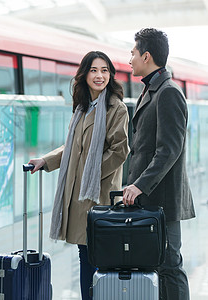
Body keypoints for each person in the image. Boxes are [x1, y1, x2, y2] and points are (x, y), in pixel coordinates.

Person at [28, 51, 129, 300]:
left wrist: (91, 174)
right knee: (85, 256)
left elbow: (120, 151)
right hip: (79, 195)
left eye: (105, 70)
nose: (100, 75)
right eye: (94, 70)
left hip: (99, 194)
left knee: (97, 258)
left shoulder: (116, 108)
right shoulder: (83, 108)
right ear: (84, 75)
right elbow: (71, 147)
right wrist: (46, 160)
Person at [122, 28, 195, 300]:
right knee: (157, 266)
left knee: (169, 267)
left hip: (163, 200)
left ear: (147, 55)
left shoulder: (168, 93)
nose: (129, 59)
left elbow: (169, 150)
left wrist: (139, 185)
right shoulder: (153, 90)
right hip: (150, 199)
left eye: (132, 53)